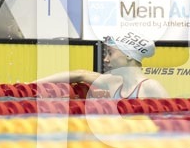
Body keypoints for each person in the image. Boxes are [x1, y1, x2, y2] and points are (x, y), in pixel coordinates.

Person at [34, 32, 169, 99]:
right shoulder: (114, 82)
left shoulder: (150, 87)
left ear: (128, 55)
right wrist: (31, 85)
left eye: (110, 53)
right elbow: (80, 74)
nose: (105, 59)